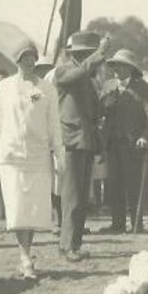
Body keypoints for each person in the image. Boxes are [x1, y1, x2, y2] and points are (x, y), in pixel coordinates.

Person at [0, 39, 64, 280]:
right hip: (11, 156)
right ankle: (25, 257)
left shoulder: (47, 89)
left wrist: (59, 152)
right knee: (17, 207)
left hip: (38, 156)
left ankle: (26, 253)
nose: (28, 61)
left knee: (32, 210)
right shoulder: (3, 88)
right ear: (16, 60)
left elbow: (54, 125)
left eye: (31, 57)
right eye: (23, 57)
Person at [52, 30, 111, 260]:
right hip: (71, 142)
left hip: (85, 142)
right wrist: (100, 53)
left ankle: (74, 245)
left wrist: (106, 101)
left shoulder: (86, 80)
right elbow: (76, 74)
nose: (95, 59)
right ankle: (67, 246)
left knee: (81, 199)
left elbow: (94, 113)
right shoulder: (64, 71)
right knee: (72, 198)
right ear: (81, 54)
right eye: (89, 53)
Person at [99, 49, 148, 234]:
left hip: (132, 144)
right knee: (114, 184)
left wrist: (144, 136)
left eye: (122, 66)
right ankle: (117, 223)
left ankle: (137, 223)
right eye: (115, 65)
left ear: (131, 68)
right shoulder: (108, 86)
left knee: (133, 184)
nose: (117, 69)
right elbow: (100, 112)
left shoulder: (142, 88)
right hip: (112, 143)